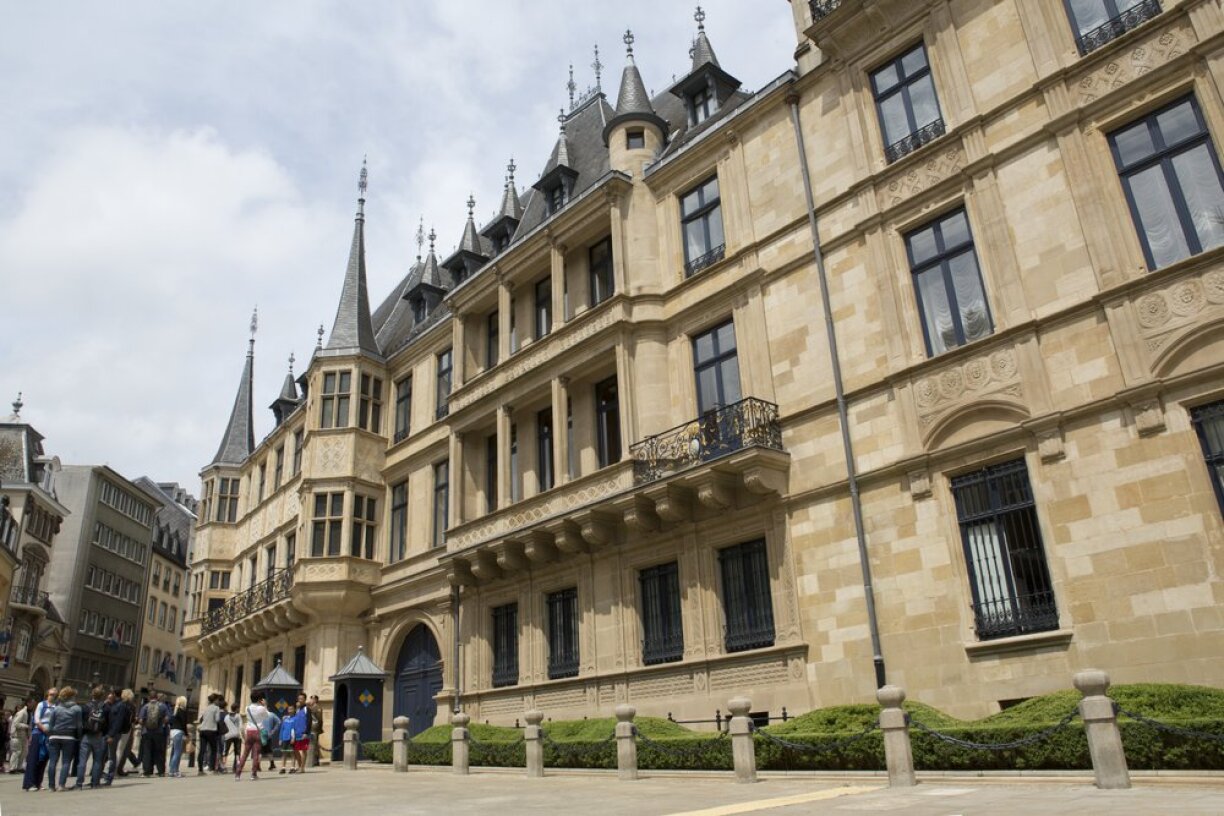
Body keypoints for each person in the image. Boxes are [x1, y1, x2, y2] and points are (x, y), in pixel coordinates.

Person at [45, 686, 81, 791]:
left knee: (52, 761)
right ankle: (61, 785)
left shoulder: (56, 708)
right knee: (66, 762)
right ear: (72, 696)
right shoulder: (77, 709)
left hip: (54, 736)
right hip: (69, 737)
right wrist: (78, 737)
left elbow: (50, 725)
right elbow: (79, 725)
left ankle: (51, 786)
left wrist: (49, 736)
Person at [75, 686, 109, 789]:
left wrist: (80, 735)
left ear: (92, 694)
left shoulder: (85, 706)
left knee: (82, 761)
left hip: (86, 736)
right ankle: (94, 783)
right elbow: (108, 723)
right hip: (99, 736)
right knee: (98, 761)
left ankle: (79, 783)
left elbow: (80, 722)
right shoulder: (105, 707)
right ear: (102, 695)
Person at [23, 687, 56, 791]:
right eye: (51, 694)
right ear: (47, 695)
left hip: (49, 734)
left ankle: (38, 782)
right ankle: (30, 783)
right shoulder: (41, 704)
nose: (53, 696)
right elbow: (37, 719)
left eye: (55, 695)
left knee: (43, 759)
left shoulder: (56, 707)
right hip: (39, 732)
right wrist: (44, 729)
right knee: (33, 759)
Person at [235, 691, 270, 781]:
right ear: (260, 699)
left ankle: (238, 774)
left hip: (249, 731)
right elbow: (267, 716)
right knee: (256, 754)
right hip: (258, 731)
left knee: (245, 753)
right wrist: (265, 705)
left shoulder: (247, 708)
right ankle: (253, 774)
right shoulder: (261, 708)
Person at [101, 689, 131, 786]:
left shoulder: (120, 705)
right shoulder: (113, 704)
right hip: (108, 733)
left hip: (113, 734)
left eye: (111, 694)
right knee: (104, 755)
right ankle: (100, 775)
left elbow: (118, 721)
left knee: (111, 756)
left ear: (114, 695)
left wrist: (111, 735)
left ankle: (109, 777)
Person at [137, 692, 170, 777]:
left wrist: (145, 724)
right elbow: (167, 718)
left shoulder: (145, 706)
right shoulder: (163, 706)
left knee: (147, 752)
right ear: (156, 697)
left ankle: (147, 771)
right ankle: (161, 771)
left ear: (149, 697)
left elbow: (140, 720)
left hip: (146, 732)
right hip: (159, 732)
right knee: (159, 752)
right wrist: (161, 723)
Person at [196, 693, 221, 775]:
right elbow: (217, 719)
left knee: (202, 750)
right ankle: (212, 769)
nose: (218, 701)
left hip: (203, 730)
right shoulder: (216, 708)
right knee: (213, 750)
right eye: (217, 699)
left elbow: (202, 718)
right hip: (211, 730)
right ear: (215, 700)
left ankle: (200, 770)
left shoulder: (206, 708)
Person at [9, 698, 33, 773]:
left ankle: (19, 767)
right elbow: (16, 723)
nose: (33, 704)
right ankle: (12, 768)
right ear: (28, 703)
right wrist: (26, 726)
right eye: (32, 703)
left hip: (24, 736)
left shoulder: (30, 713)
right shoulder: (22, 712)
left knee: (24, 752)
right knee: (16, 752)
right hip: (17, 735)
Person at [168, 696, 189, 777]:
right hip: (179, 731)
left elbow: (170, 721)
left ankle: (175, 770)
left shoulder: (175, 710)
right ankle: (172, 771)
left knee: (175, 752)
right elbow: (184, 724)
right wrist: (186, 734)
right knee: (177, 752)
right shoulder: (182, 711)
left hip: (173, 731)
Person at [223, 702, 242, 773]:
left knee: (226, 751)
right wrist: (243, 735)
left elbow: (224, 725)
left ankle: (224, 766)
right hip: (236, 735)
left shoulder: (226, 716)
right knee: (237, 752)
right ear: (237, 708)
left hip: (228, 735)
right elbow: (241, 727)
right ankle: (237, 766)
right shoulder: (238, 716)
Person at [307, 694, 324, 767]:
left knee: (314, 744)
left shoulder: (318, 708)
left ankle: (315, 760)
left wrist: (319, 728)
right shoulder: (310, 707)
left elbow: (319, 719)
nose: (312, 700)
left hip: (315, 727)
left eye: (313, 699)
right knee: (313, 744)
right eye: (311, 699)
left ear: (316, 700)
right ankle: (314, 759)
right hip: (310, 727)